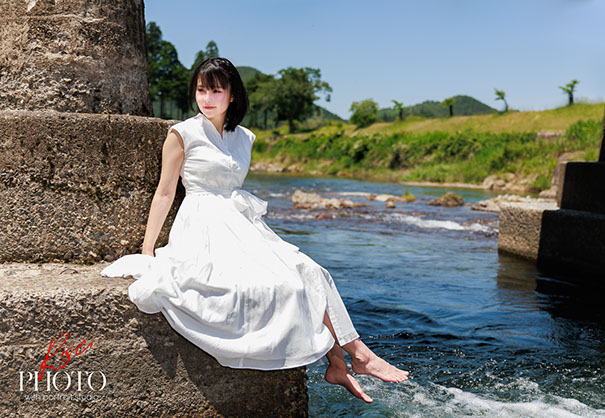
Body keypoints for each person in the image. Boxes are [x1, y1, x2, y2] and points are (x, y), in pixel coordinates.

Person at [101, 57, 408, 403]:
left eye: (216, 91)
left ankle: (340, 362)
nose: (207, 98)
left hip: (243, 224)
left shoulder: (245, 137)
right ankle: (359, 357)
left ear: (232, 95)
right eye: (201, 90)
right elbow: (165, 192)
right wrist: (147, 250)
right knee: (281, 285)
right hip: (202, 225)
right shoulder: (182, 134)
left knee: (310, 272)